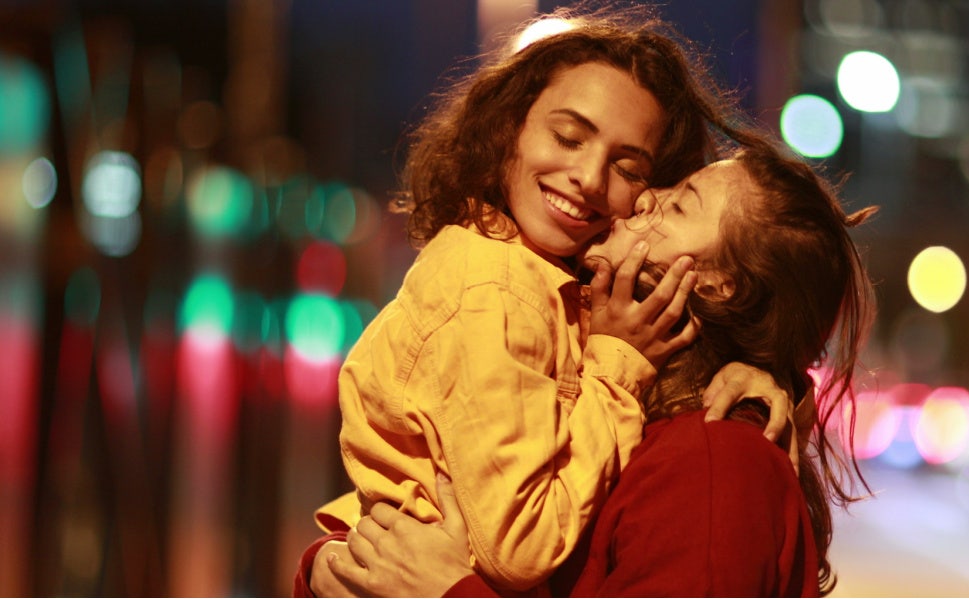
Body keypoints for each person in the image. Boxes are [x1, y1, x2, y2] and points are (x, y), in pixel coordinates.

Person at [302, 4, 801, 595]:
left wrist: (761, 372)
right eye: (567, 136)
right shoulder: (495, 289)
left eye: (629, 168)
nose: (590, 177)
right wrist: (617, 365)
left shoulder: (563, 291)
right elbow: (517, 546)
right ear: (509, 127)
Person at [309, 141, 878, 597]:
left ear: (716, 286)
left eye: (680, 204)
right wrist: (329, 566)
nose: (645, 198)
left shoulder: (713, 463)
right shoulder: (607, 397)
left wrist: (448, 591)